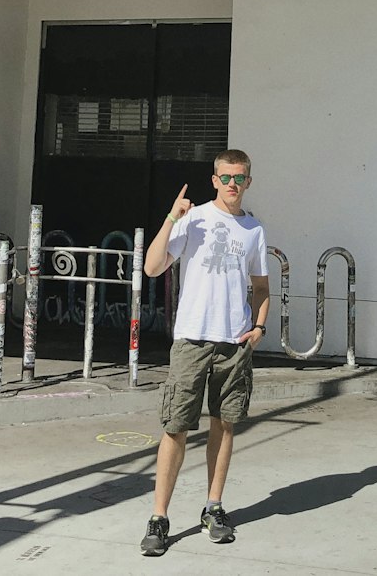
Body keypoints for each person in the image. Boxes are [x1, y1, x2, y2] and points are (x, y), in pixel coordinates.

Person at [140, 149, 270, 556]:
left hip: (233, 344)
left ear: (249, 181)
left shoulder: (254, 230)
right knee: (175, 427)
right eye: (226, 177)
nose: (233, 185)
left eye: (240, 178)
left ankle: (213, 507)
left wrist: (259, 326)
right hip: (192, 339)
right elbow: (153, 267)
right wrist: (170, 218)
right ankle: (159, 517)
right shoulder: (193, 219)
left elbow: (261, 287)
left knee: (225, 424)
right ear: (214, 180)